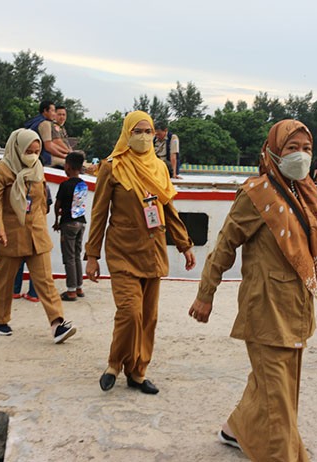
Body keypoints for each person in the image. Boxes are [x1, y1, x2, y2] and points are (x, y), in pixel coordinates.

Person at [188, 120, 317, 460]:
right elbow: (223, 247)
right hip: (265, 311)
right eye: (292, 148)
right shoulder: (255, 195)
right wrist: (206, 294)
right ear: (274, 152)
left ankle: (234, 428)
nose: (301, 156)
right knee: (279, 406)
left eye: (307, 149)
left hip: (296, 310)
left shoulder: (307, 194)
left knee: (275, 385)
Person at [85, 111, 195, 395]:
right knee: (129, 312)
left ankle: (138, 372)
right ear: (127, 133)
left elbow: (168, 208)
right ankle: (114, 363)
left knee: (148, 317)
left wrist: (184, 244)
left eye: (149, 131)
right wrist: (93, 255)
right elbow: (98, 214)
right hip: (122, 249)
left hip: (153, 248)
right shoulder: (112, 166)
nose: (144, 136)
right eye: (138, 131)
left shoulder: (159, 167)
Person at [0, 128, 77, 342]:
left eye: (37, 151)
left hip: (36, 234)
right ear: (17, 149)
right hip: (10, 234)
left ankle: (57, 324)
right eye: (29, 151)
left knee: (45, 280)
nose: (33, 156)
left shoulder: (37, 168)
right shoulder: (2, 171)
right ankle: (0, 320)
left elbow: (41, 200)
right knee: (5, 281)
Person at [54, 151, 87, 301]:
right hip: (81, 222)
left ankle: (71, 290)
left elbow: (58, 205)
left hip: (68, 223)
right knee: (77, 256)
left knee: (68, 257)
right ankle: (79, 287)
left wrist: (56, 220)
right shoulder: (83, 184)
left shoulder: (64, 185)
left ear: (67, 166)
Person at [25, 101, 67, 166]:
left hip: (31, 153)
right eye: (52, 111)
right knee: (71, 163)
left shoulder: (35, 120)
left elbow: (51, 143)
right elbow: (48, 147)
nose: (54, 114)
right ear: (45, 111)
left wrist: (66, 152)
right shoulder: (45, 123)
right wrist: (64, 156)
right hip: (42, 157)